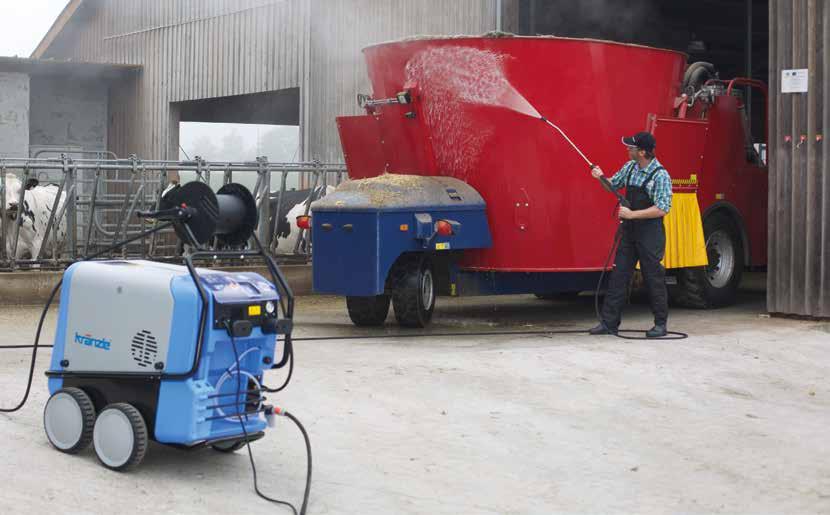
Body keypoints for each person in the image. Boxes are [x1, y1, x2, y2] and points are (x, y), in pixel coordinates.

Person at [589, 131, 672, 338]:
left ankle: (660, 325)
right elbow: (612, 186)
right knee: (619, 276)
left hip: (650, 234)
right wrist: (600, 177)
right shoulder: (630, 168)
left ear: (642, 152)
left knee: (653, 278)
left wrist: (632, 214)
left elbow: (663, 208)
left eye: (631, 147)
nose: (627, 149)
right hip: (629, 232)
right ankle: (609, 323)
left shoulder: (660, 175)